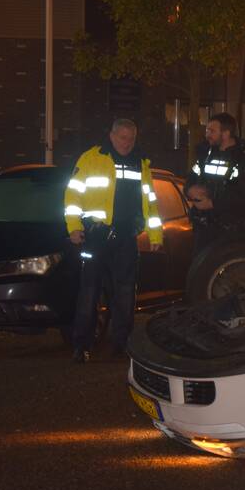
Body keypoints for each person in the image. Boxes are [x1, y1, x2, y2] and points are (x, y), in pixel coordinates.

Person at [64, 118, 162, 363]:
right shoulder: (91, 158)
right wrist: (74, 227)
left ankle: (122, 345)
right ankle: (82, 346)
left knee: (125, 294)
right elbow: (72, 195)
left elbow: (149, 202)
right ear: (112, 135)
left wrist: (155, 234)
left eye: (131, 137)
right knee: (89, 292)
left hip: (126, 238)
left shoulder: (141, 163)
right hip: (95, 236)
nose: (127, 142)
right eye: (122, 137)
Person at [185, 112, 245, 255]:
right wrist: (190, 190)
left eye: (212, 131)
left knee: (230, 271)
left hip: (232, 230)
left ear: (226, 133)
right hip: (204, 228)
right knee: (202, 271)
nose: (207, 134)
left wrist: (213, 203)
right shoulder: (205, 155)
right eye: (207, 130)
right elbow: (191, 178)